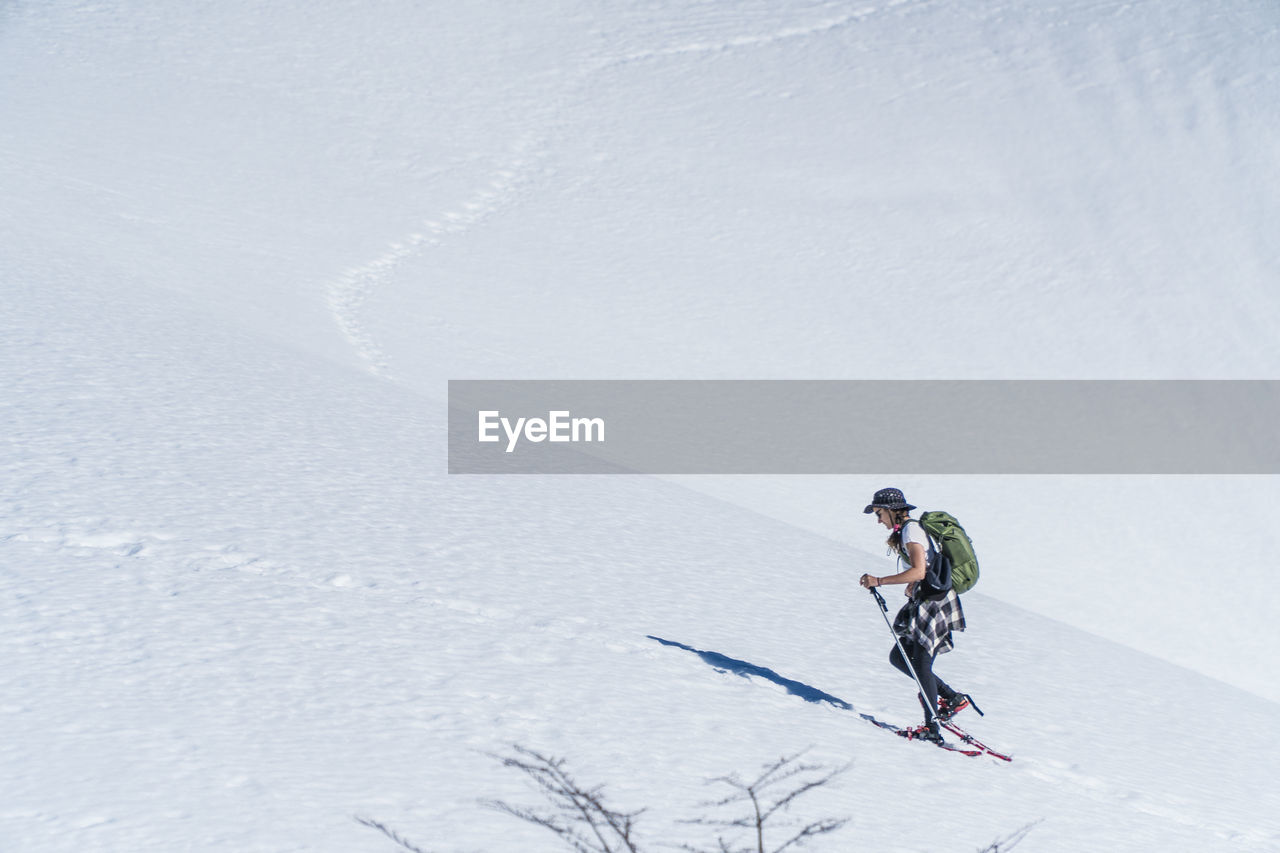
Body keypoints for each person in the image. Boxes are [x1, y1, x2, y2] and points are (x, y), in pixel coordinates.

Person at [858, 487, 971, 743]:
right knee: (900, 657)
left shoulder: (911, 529)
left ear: (891, 510)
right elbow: (922, 570)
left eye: (879, 514)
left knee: (920, 663)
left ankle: (932, 729)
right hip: (928, 599)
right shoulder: (909, 530)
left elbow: (919, 571)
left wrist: (879, 580)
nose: (879, 520)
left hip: (933, 603)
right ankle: (952, 698)